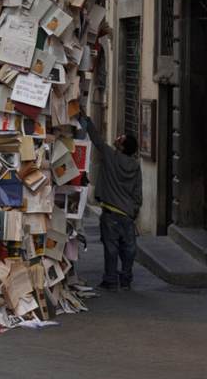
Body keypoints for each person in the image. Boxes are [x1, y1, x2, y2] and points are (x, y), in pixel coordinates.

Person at [82, 113, 142, 291]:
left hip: (110, 212)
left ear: (122, 147)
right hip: (127, 213)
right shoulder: (135, 165)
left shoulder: (111, 155)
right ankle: (126, 278)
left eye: (120, 139)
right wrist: (135, 210)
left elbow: (97, 140)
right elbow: (138, 191)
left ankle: (110, 279)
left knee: (111, 247)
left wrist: (87, 120)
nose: (117, 138)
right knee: (129, 247)